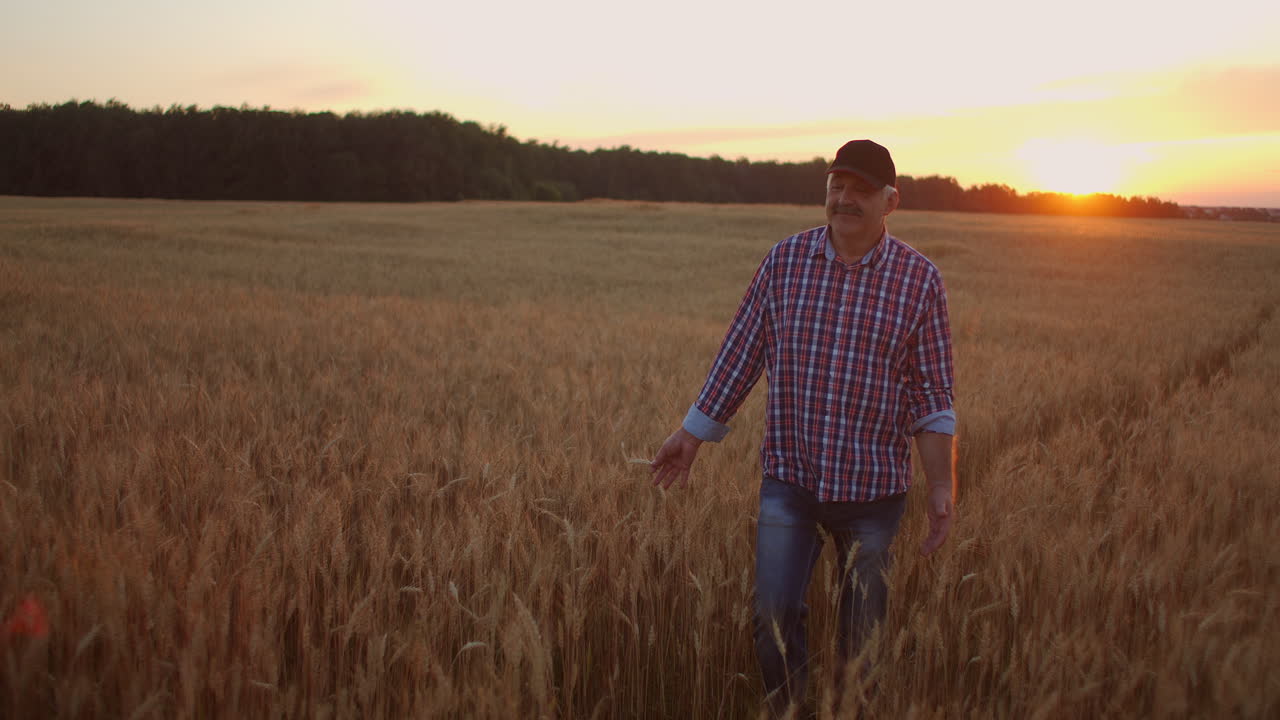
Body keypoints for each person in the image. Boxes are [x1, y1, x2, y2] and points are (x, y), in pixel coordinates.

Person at [649, 139, 957, 715]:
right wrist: (690, 435)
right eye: (836, 186)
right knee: (772, 620)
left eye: (860, 191)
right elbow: (741, 354)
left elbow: (931, 394)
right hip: (790, 480)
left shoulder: (920, 282)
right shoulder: (784, 262)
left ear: (891, 201)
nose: (844, 199)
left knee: (861, 642)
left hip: (873, 492)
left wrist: (941, 486)